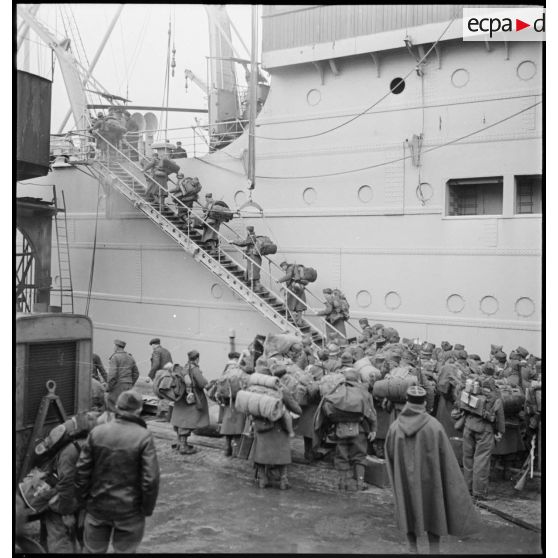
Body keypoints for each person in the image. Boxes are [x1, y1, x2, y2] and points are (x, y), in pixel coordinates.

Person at [385, 385, 480, 554]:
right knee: (434, 508)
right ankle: (434, 551)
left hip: (405, 480)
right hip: (431, 480)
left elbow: (390, 456)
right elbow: (447, 459)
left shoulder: (394, 427)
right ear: (424, 402)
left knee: (407, 507)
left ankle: (412, 548)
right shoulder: (434, 426)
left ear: (407, 400)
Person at [75, 391, 160, 554]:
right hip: (130, 511)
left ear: (117, 408)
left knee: (92, 550)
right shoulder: (144, 436)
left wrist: (84, 501)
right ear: (139, 410)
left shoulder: (97, 432)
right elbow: (151, 479)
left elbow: (81, 471)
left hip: (97, 507)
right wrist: (146, 509)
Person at [41, 413, 97, 553]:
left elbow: (66, 484)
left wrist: (66, 512)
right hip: (88, 500)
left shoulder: (69, 451)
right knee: (85, 540)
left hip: (69, 503)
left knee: (59, 538)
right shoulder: (93, 444)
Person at [461, 364, 505, 501]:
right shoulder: (495, 393)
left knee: (468, 458)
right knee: (481, 460)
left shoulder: (472, 387)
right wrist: (500, 431)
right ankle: (479, 492)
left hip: (469, 425)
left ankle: (467, 489)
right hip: (484, 429)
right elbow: (500, 415)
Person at [170, 350, 210, 455]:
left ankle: (179, 443)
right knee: (188, 421)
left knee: (180, 420)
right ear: (197, 358)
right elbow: (202, 383)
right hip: (192, 399)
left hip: (182, 398)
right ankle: (183, 446)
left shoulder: (185, 367)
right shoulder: (195, 369)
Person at [219, 352, 247, 457]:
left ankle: (227, 448)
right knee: (238, 425)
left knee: (228, 424)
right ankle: (236, 451)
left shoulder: (226, 371)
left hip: (227, 403)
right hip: (239, 402)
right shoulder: (240, 371)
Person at [106, 339, 139, 414]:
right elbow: (136, 373)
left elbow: (112, 375)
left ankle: (114, 423)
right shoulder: (130, 357)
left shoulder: (115, 357)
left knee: (112, 404)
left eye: (114, 346)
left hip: (118, 385)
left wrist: (109, 387)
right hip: (128, 385)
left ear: (116, 347)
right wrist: (130, 383)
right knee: (125, 406)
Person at [147, 338, 173, 421]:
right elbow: (171, 363)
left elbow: (156, 364)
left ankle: (162, 415)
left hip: (160, 373)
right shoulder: (166, 351)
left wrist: (149, 376)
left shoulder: (156, 351)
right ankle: (165, 414)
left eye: (152, 346)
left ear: (154, 345)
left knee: (159, 393)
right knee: (165, 393)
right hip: (168, 374)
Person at [231, 225, 263, 291]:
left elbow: (243, 243)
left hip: (253, 256)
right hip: (254, 256)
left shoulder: (251, 237)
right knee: (252, 270)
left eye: (247, 230)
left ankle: (257, 287)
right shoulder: (254, 236)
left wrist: (233, 241)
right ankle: (251, 283)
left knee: (253, 271)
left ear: (248, 231)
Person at [277, 261, 308, 326]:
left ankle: (290, 316)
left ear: (285, 265)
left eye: (282, 267)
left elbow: (288, 276)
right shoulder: (295, 268)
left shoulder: (290, 268)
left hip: (293, 288)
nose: (282, 269)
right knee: (299, 304)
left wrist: (279, 280)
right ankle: (299, 321)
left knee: (289, 302)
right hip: (300, 287)